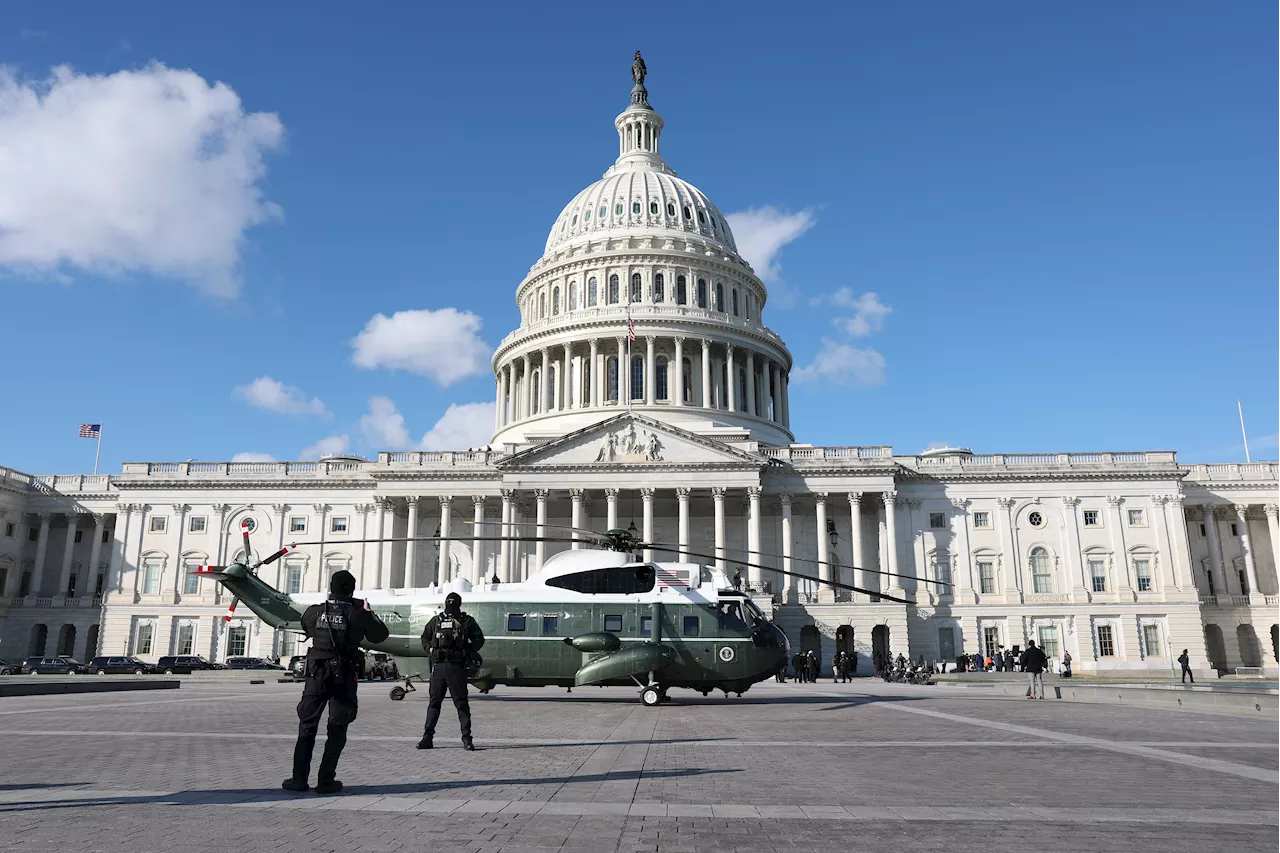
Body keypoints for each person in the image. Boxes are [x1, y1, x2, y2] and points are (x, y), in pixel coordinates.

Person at [283, 570, 388, 794]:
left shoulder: (314, 612)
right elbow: (380, 635)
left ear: (331, 587)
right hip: (344, 675)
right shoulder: (358, 613)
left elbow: (307, 627)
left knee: (307, 726)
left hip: (316, 674)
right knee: (337, 728)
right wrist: (369, 613)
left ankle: (299, 779)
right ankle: (326, 780)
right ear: (352, 589)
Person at [417, 592, 486, 750]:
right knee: (434, 703)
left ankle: (467, 738)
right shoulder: (436, 621)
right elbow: (425, 637)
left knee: (461, 704)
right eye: (449, 604)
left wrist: (465, 651)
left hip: (456, 666)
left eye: (453, 604)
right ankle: (427, 738)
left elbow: (479, 639)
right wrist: (431, 650)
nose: (450, 608)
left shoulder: (466, 621)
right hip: (439, 666)